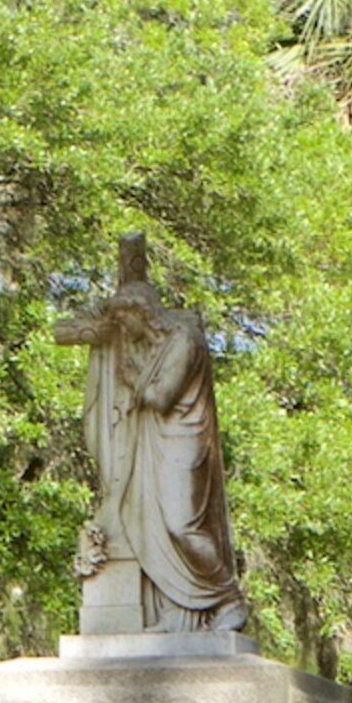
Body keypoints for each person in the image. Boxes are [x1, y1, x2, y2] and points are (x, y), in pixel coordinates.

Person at [55, 236, 249, 633]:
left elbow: (161, 397)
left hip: (183, 440)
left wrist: (131, 378)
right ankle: (178, 612)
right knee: (149, 519)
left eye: (125, 319)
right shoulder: (144, 341)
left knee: (180, 524)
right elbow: (67, 331)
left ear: (142, 312)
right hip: (154, 440)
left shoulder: (184, 340)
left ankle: (226, 597)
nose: (122, 329)